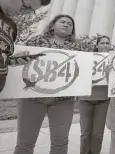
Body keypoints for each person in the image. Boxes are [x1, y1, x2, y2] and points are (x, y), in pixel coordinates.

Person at [14, 14, 80, 154]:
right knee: (25, 142)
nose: (66, 24)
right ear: (52, 25)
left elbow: (82, 72)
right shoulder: (36, 41)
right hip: (32, 98)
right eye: (62, 21)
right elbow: (18, 61)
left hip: (63, 100)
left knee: (60, 142)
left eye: (70, 24)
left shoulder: (77, 48)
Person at [0, 0, 51, 93]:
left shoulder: (11, 26)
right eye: (26, 6)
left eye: (30, 11)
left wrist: (12, 60)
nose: (25, 13)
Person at [79, 35, 111, 154]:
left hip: (103, 99)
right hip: (85, 99)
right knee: (85, 132)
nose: (105, 45)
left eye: (107, 43)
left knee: (98, 133)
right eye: (102, 43)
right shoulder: (86, 58)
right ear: (97, 45)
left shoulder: (114, 60)